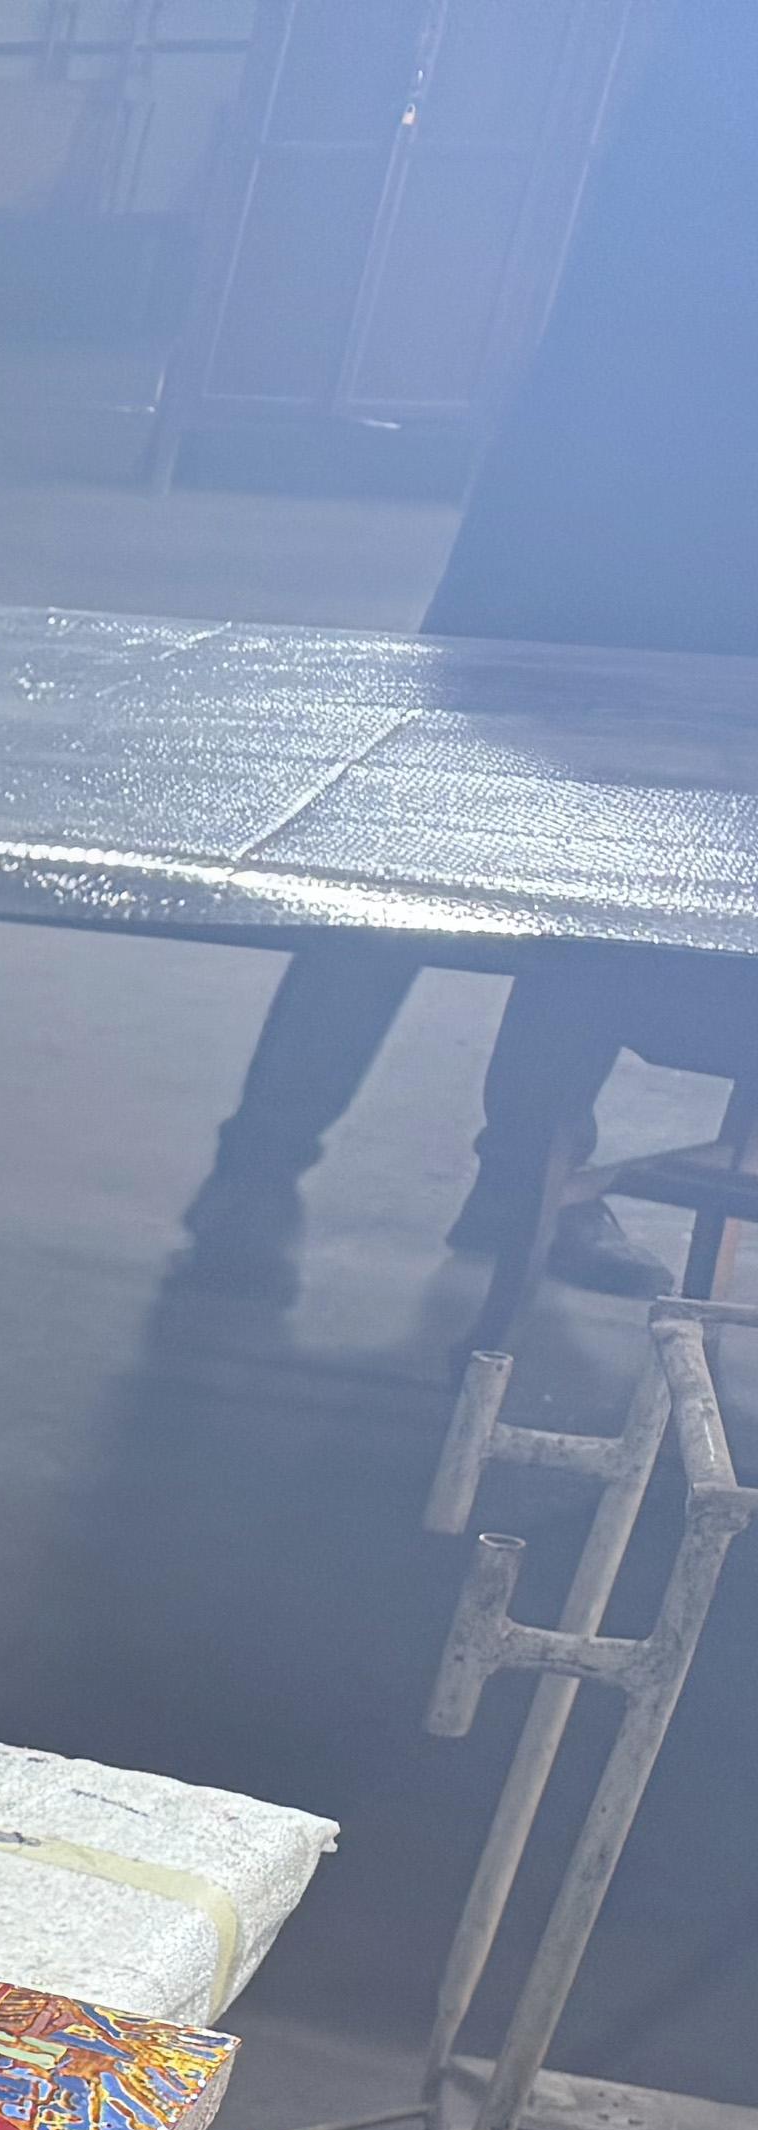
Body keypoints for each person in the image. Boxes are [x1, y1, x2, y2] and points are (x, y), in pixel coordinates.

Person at [177, 10, 758, 1297]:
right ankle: (275, 1160)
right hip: (601, 525)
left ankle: (513, 1183)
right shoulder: (728, 57)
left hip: (679, 536)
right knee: (424, 845)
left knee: (588, 874)